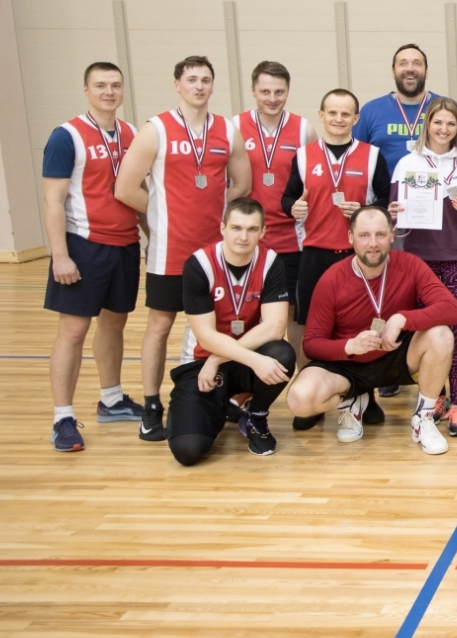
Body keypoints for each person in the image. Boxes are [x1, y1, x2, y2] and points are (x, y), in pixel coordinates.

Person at [115, 56, 251, 443]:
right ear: (177, 84)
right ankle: (151, 405)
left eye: (206, 80)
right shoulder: (155, 128)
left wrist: (219, 216)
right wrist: (163, 214)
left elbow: (242, 183)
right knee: (159, 326)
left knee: (219, 327)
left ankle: (218, 394)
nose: (199, 86)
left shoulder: (227, 129)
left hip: (216, 254)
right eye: (191, 79)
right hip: (169, 251)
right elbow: (125, 188)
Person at [286, 206, 457, 455]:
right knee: (299, 400)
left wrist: (402, 319)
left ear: (392, 234)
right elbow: (311, 343)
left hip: (396, 355)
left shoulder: (410, 264)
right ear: (351, 238)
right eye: (364, 235)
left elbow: (451, 309)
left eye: (380, 234)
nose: (373, 243)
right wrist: (349, 346)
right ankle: (351, 400)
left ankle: (424, 419)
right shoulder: (332, 279)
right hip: (347, 365)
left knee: (441, 334)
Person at [41, 62, 144, 451]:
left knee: (115, 323)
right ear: (86, 89)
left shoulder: (132, 133)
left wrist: (154, 238)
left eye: (115, 85)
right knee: (73, 331)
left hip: (124, 244)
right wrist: (60, 255)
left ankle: (112, 399)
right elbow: (53, 200)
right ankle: (62, 418)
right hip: (83, 246)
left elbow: (138, 193)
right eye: (100, 85)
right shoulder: (66, 136)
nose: (109, 92)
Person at [282, 88, 391, 430]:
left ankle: (365, 394)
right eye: (333, 113)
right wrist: (292, 207)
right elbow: (287, 198)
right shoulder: (303, 156)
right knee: (306, 327)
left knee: (365, 322)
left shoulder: (372, 156)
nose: (339, 119)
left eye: (346, 114)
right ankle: (310, 396)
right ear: (322, 115)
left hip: (358, 255)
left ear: (356, 119)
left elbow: (387, 204)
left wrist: (365, 211)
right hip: (314, 253)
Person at [167, 198, 296, 465]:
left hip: (226, 360)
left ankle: (256, 417)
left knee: (281, 354)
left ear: (262, 232)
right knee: (188, 450)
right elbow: (206, 336)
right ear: (222, 227)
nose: (243, 236)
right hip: (200, 361)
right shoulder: (199, 265)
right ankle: (217, 409)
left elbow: (274, 326)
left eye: (252, 229)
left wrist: (219, 360)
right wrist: (217, 360)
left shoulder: (271, 262)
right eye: (236, 228)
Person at [388, 98, 457, 437]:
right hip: (418, 262)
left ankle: (456, 405)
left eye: (451, 124)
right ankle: (436, 398)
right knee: (427, 334)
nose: (444, 129)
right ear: (427, 124)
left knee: (456, 333)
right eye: (438, 122)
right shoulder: (406, 164)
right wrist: (393, 209)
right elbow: (393, 215)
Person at [232, 61, 310, 363]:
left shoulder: (304, 129)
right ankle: (244, 390)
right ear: (253, 91)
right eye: (265, 91)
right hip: (248, 238)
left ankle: (304, 383)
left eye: (279, 91)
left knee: (293, 314)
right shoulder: (234, 126)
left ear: (288, 91)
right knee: (246, 312)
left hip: (292, 239)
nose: (272, 98)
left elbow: (314, 180)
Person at [352, 43, 457, 178]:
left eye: (417, 64)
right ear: (393, 72)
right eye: (403, 63)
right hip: (387, 197)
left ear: (427, 72)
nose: (410, 69)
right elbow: (353, 158)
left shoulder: (449, 109)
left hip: (440, 195)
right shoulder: (371, 111)